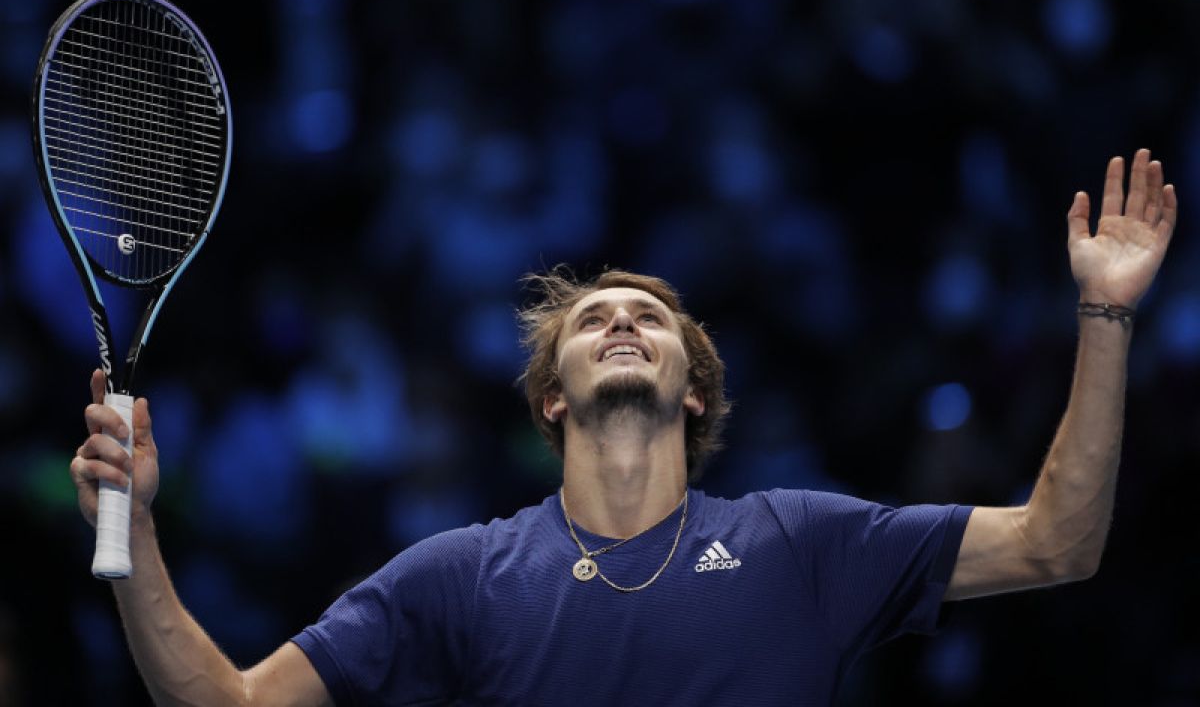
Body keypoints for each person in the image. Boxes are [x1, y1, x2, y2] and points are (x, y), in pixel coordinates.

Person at [71, 150, 1176, 706]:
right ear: (552, 397)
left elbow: (1056, 541)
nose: (621, 321)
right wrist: (134, 538)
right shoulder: (459, 575)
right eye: (592, 318)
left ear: (695, 388)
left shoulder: (808, 544)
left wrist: (1106, 313)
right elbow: (231, 701)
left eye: (649, 315)